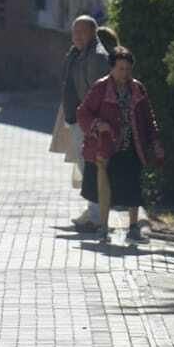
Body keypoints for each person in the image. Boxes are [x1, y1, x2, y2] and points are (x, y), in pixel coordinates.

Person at [76, 46, 163, 243]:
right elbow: (83, 112)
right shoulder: (100, 87)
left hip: (132, 145)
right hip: (107, 146)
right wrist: (99, 125)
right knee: (105, 188)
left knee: (133, 187)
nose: (124, 73)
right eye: (120, 68)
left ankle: (133, 228)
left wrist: (155, 140)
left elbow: (149, 118)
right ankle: (104, 229)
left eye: (127, 69)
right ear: (112, 68)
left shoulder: (137, 88)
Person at [55, 15, 108, 231]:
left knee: (91, 167)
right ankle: (93, 210)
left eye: (81, 32)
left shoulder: (95, 57)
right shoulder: (79, 52)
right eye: (74, 32)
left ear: (92, 33)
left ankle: (96, 216)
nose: (76, 36)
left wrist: (93, 124)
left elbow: (97, 93)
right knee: (85, 166)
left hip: (88, 123)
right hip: (78, 119)